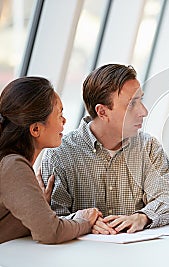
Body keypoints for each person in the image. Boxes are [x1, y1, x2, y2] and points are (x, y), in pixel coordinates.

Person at [41, 64, 169, 235]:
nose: (144, 112)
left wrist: (142, 217)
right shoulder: (59, 154)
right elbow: (50, 220)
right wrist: (82, 223)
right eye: (132, 105)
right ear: (102, 112)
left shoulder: (149, 148)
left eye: (141, 100)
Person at [0, 77, 100, 244]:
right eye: (59, 114)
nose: (64, 120)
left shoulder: (10, 163)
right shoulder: (13, 166)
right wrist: (85, 222)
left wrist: (39, 206)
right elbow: (51, 232)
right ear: (36, 129)